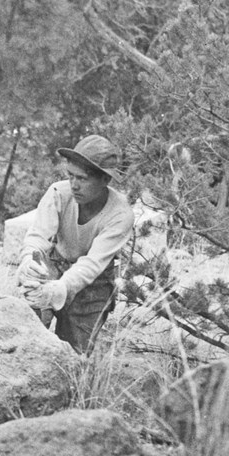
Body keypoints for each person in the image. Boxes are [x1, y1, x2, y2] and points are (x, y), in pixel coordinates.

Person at [16, 135, 134, 355]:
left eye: (83, 179)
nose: (74, 185)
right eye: (70, 176)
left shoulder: (121, 215)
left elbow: (92, 264)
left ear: (104, 180)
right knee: (28, 341)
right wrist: (28, 261)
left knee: (74, 355)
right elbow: (38, 236)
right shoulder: (58, 194)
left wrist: (61, 288)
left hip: (94, 283)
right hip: (54, 264)